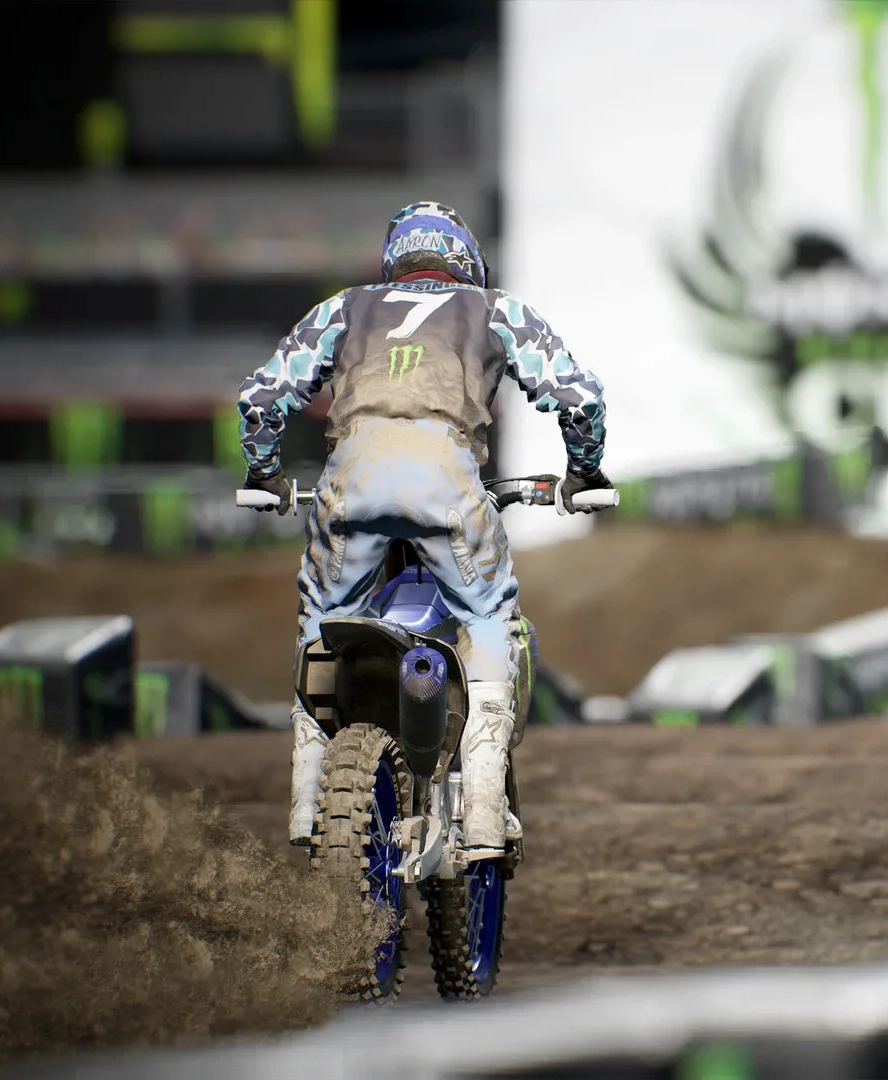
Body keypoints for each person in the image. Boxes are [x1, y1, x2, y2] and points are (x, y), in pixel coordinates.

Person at [235, 201, 611, 866]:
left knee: (321, 619)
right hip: (447, 481)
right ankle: (486, 811)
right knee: (488, 615)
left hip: (351, 480)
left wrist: (264, 472)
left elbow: (262, 398)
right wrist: (584, 470)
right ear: (464, 257)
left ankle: (307, 803)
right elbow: (579, 396)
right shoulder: (494, 309)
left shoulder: (344, 308)